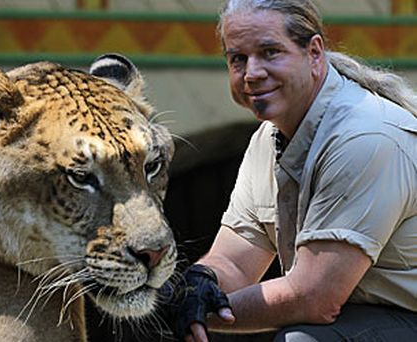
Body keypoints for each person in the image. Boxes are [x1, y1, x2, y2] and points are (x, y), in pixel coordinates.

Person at [170, 0, 417, 341]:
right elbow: (237, 263)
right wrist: (201, 285)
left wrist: (196, 312)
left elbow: (315, 298)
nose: (252, 73)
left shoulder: (364, 136)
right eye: (237, 59)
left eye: (270, 52)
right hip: (365, 315)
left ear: (315, 53)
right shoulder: (268, 138)